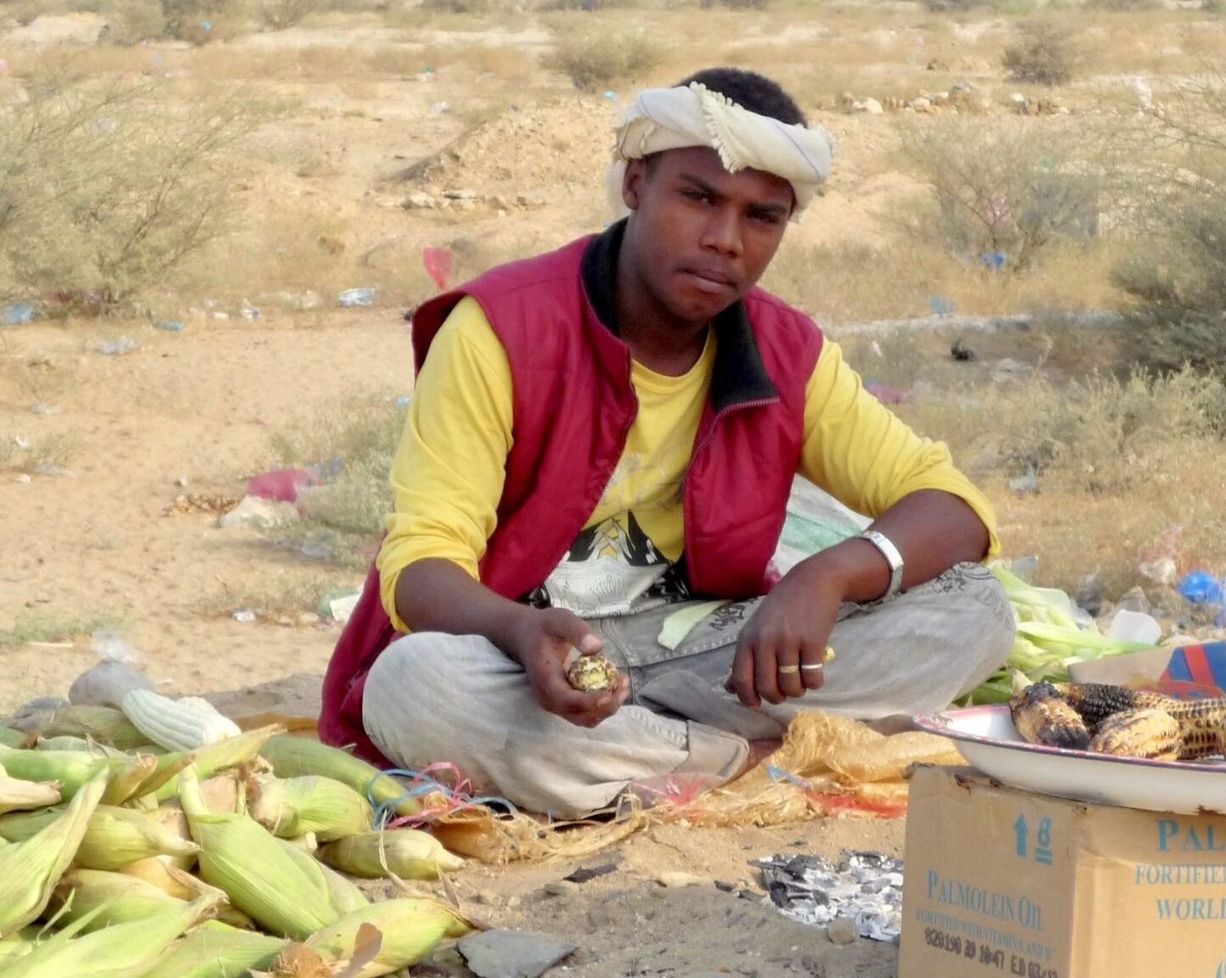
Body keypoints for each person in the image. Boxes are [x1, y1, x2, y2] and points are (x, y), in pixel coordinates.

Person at [320, 67, 1015, 818]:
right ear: (636, 183)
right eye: (699, 197)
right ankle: (739, 761)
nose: (726, 241)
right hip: (526, 660)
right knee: (414, 685)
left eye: (762, 218)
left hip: (704, 656)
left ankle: (634, 759)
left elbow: (953, 507)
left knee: (975, 607)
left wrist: (829, 576)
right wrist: (520, 630)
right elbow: (421, 564)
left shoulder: (784, 353)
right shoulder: (503, 330)